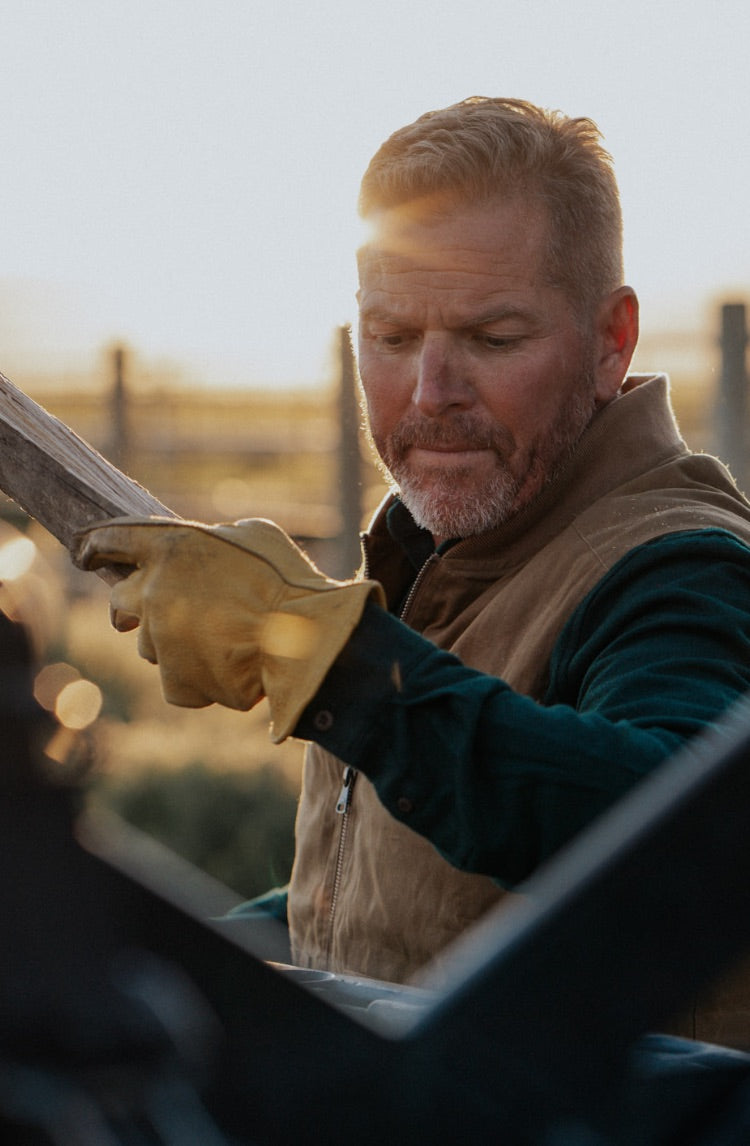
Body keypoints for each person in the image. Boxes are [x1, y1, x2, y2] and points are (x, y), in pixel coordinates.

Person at [75, 97, 750, 1046]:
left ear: (611, 341)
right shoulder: (448, 548)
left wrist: (326, 656)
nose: (431, 394)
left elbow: (677, 840)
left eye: (491, 339)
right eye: (392, 339)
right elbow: (415, 901)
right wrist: (204, 955)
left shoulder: (680, 565)